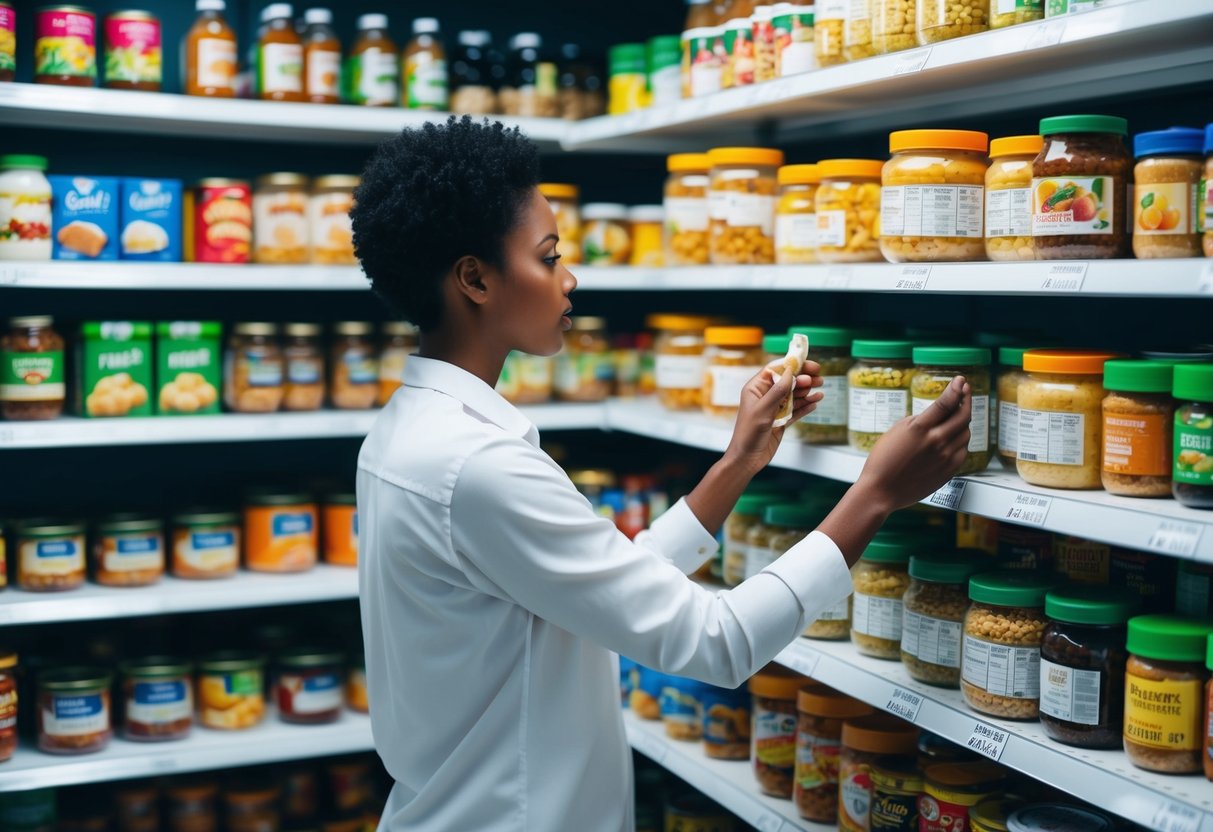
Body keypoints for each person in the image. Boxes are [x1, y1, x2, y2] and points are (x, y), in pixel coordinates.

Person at [351, 117, 972, 832]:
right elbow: (713, 641)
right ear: (474, 279)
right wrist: (875, 496)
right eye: (548, 258)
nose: (568, 277)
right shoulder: (477, 466)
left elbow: (605, 587)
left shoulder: (409, 434)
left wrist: (739, 461)